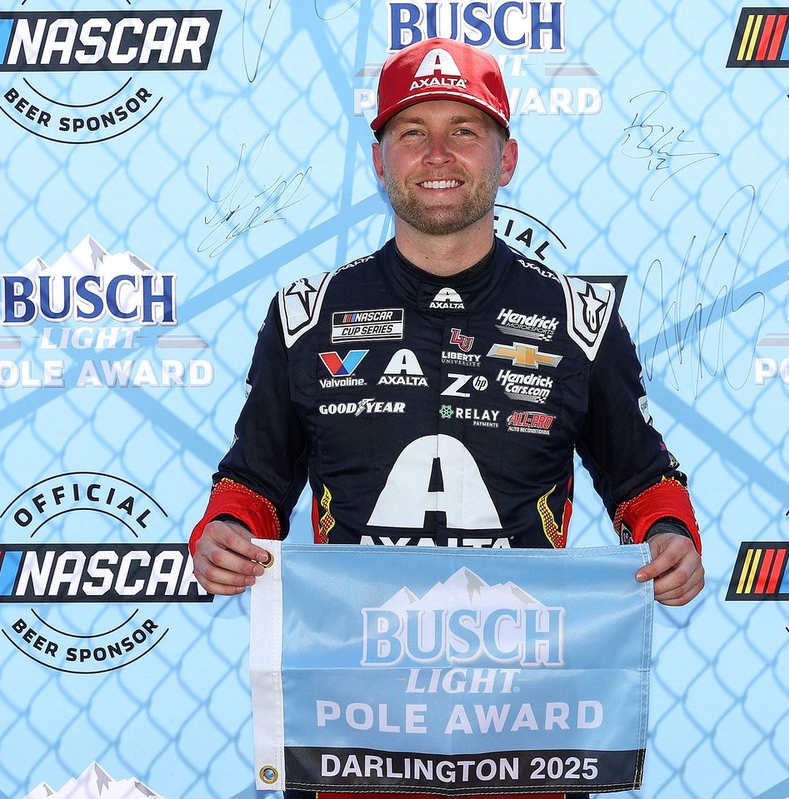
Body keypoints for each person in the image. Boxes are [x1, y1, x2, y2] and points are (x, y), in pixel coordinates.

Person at [189, 36, 704, 799]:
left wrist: (671, 535)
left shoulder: (580, 318)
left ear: (507, 157)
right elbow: (254, 480)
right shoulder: (308, 316)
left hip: (524, 735)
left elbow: (643, 479)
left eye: (464, 131)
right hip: (354, 734)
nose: (437, 154)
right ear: (379, 160)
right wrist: (224, 531)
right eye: (412, 132)